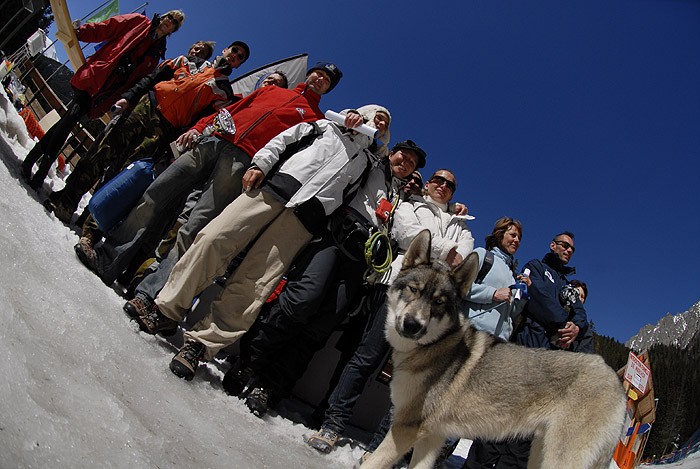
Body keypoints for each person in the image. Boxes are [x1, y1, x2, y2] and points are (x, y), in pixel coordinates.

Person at [144, 106, 378, 381]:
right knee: (213, 239)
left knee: (257, 280)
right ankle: (167, 310)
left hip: (305, 219)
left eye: (384, 123)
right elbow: (282, 140)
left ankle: (201, 344)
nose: (380, 123)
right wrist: (261, 165)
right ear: (362, 112)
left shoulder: (368, 163)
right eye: (377, 116)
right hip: (273, 189)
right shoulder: (323, 126)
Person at [74, 62, 342, 289]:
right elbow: (231, 110)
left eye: (327, 80)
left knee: (194, 225)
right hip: (213, 141)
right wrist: (199, 127)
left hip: (242, 162)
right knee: (155, 194)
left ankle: (150, 291)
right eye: (318, 73)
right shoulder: (272, 90)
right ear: (309, 74)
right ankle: (107, 259)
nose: (320, 79)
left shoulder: (315, 119)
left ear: (328, 89)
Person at [229, 136, 426, 418]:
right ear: (392, 153)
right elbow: (367, 141)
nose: (405, 164)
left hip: (361, 262)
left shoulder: (404, 200)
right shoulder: (373, 163)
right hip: (335, 238)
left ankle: (271, 387)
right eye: (403, 156)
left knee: (321, 326)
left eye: (412, 164)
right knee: (300, 300)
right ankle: (248, 364)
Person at [307, 168, 475, 454]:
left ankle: (381, 449)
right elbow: (408, 235)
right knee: (366, 358)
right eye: (438, 179)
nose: (443, 185)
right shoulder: (410, 205)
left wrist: (437, 250)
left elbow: (463, 257)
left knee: (412, 378)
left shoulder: (463, 227)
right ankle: (333, 424)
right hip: (398, 290)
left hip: (431, 309)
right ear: (429, 184)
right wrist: (446, 250)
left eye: (450, 184)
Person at [44, 40, 249, 224]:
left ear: (239, 65)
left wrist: (176, 143)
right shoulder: (188, 61)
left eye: (240, 57)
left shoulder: (224, 92)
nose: (235, 56)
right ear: (225, 50)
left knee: (125, 171)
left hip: (164, 130)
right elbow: (152, 78)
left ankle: (91, 220)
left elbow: (202, 121)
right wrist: (129, 97)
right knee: (102, 150)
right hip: (145, 106)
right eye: (234, 50)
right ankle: (66, 201)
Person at [21, 10, 185, 190]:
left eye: (174, 22)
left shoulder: (155, 55)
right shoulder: (139, 22)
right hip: (96, 76)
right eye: (169, 16)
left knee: (67, 121)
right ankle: (41, 173)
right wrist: (82, 32)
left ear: (173, 30)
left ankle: (31, 161)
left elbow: (137, 82)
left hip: (107, 94)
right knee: (70, 119)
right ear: (163, 16)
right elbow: (109, 27)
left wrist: (124, 100)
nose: (169, 21)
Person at [505, 231, 589, 468]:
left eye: (572, 249)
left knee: (525, 434)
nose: (568, 250)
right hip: (524, 350)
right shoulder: (536, 267)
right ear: (553, 245)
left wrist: (576, 327)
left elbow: (581, 313)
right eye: (564, 245)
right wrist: (565, 320)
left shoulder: (568, 285)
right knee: (499, 426)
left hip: (548, 363)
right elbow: (541, 301)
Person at [461, 217, 532, 469]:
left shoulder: (512, 274)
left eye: (519, 237)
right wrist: (493, 293)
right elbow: (460, 286)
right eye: (512, 234)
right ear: (499, 234)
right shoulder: (483, 256)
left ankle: (439, 457)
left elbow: (510, 314)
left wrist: (522, 295)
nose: (516, 240)